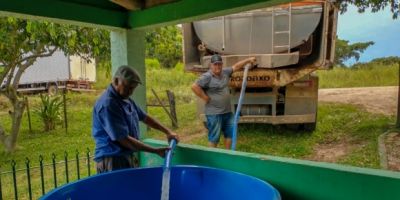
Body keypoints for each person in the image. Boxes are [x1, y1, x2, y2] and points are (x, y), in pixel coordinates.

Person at [92, 65, 180, 173]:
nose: (131, 92)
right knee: (119, 190)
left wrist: (167, 131)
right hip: (112, 159)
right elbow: (124, 140)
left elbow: (145, 117)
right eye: (128, 87)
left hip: (125, 156)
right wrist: (155, 151)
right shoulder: (108, 104)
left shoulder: (125, 99)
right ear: (116, 81)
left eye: (133, 88)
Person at [191, 54, 256, 149]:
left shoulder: (225, 72)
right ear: (211, 65)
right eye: (215, 64)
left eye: (219, 64)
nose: (218, 66)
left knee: (230, 134)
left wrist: (248, 60)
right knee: (214, 137)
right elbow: (194, 86)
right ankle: (212, 157)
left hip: (227, 112)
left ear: (222, 65)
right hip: (214, 114)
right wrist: (205, 97)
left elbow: (236, 66)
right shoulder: (207, 76)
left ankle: (227, 154)